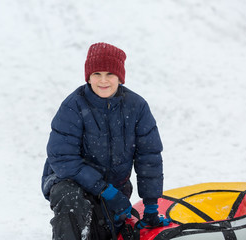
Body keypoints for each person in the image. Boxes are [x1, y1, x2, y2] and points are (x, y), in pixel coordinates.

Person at [41, 42, 170, 240]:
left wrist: (151, 205)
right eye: (96, 74)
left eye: (110, 74)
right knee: (71, 201)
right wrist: (103, 190)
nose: (103, 81)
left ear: (120, 77)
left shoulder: (137, 107)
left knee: (105, 232)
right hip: (70, 181)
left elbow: (149, 157)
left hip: (115, 188)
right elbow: (63, 159)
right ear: (88, 77)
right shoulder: (73, 106)